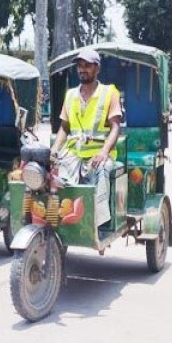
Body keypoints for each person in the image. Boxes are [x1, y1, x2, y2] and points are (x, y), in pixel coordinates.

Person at [49, 48, 122, 227]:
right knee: (49, 172)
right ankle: (57, 216)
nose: (82, 69)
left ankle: (99, 221)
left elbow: (115, 127)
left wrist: (105, 152)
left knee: (102, 169)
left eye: (87, 66)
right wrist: (54, 150)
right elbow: (64, 128)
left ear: (97, 68)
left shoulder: (109, 93)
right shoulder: (70, 95)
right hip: (74, 153)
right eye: (80, 66)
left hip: (98, 153)